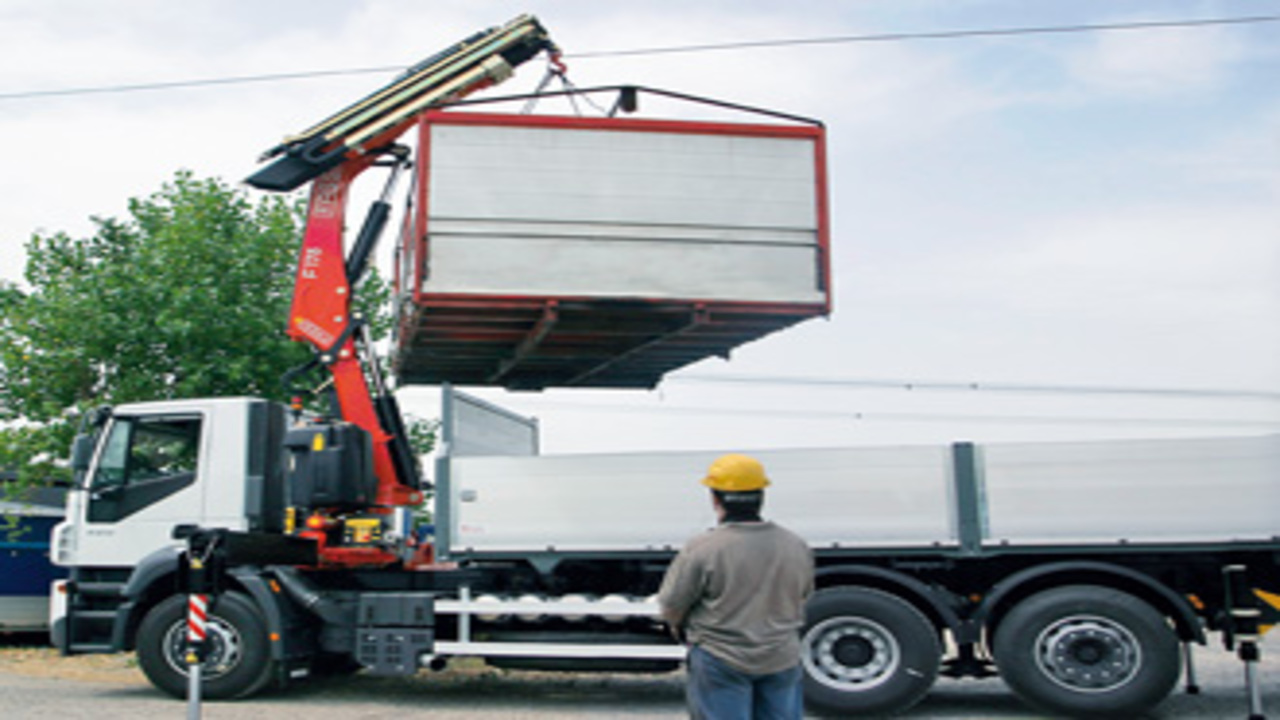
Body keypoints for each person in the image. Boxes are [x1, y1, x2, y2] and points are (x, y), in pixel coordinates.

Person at [658, 453, 815, 720]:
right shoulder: (795, 545)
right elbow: (803, 595)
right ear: (761, 496)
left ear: (715, 499)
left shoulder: (703, 548)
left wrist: (678, 626)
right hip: (781, 655)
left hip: (720, 656)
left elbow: (672, 603)